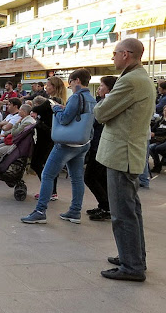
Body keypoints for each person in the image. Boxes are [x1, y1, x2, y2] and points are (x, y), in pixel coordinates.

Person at [95, 38, 154, 282]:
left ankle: (131, 266)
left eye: (115, 53)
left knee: (123, 213)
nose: (113, 57)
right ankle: (133, 257)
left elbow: (101, 113)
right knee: (132, 210)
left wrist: (105, 103)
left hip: (122, 154)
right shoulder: (140, 78)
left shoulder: (129, 81)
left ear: (126, 55)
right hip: (128, 152)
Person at [21, 68, 96, 225]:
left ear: (76, 81)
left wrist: (56, 108)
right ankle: (75, 212)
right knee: (76, 178)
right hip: (82, 142)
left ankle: (40, 211)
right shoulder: (90, 98)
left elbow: (64, 120)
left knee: (47, 175)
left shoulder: (76, 97)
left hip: (66, 143)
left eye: (71, 82)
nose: (70, 86)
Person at [84, 76, 117, 221]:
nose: (98, 89)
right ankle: (106, 205)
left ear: (109, 89)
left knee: (90, 177)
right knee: (100, 178)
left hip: (101, 146)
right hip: (97, 145)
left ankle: (106, 206)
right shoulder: (102, 102)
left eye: (101, 86)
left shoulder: (108, 105)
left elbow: (97, 120)